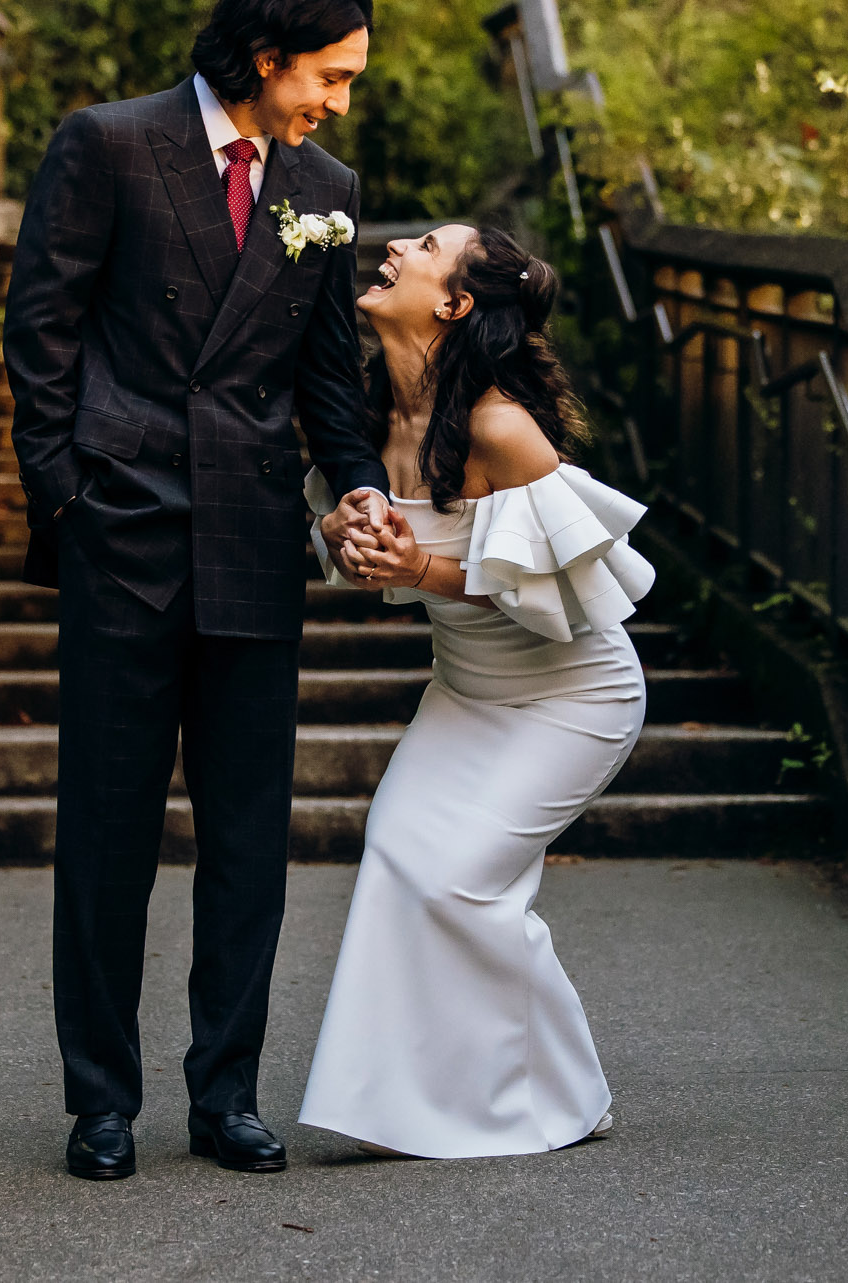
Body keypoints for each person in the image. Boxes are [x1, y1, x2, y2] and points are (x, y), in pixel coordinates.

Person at [1, 0, 394, 1181]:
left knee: (246, 840)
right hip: (121, 527)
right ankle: (100, 1098)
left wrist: (359, 485)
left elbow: (329, 378)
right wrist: (65, 495)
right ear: (270, 52)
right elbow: (41, 330)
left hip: (252, 538)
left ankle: (225, 1092)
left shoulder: (324, 184)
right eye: (331, 75)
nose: (337, 101)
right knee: (108, 835)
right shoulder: (110, 143)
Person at [299, 223, 655, 1158]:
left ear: (455, 303)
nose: (395, 247)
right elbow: (360, 545)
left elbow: (579, 596)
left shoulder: (501, 427)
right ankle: (406, 1104)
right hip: (465, 691)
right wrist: (350, 536)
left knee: (459, 882)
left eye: (423, 245)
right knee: (396, 855)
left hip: (573, 698)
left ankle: (559, 1092)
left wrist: (422, 567)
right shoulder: (369, 425)